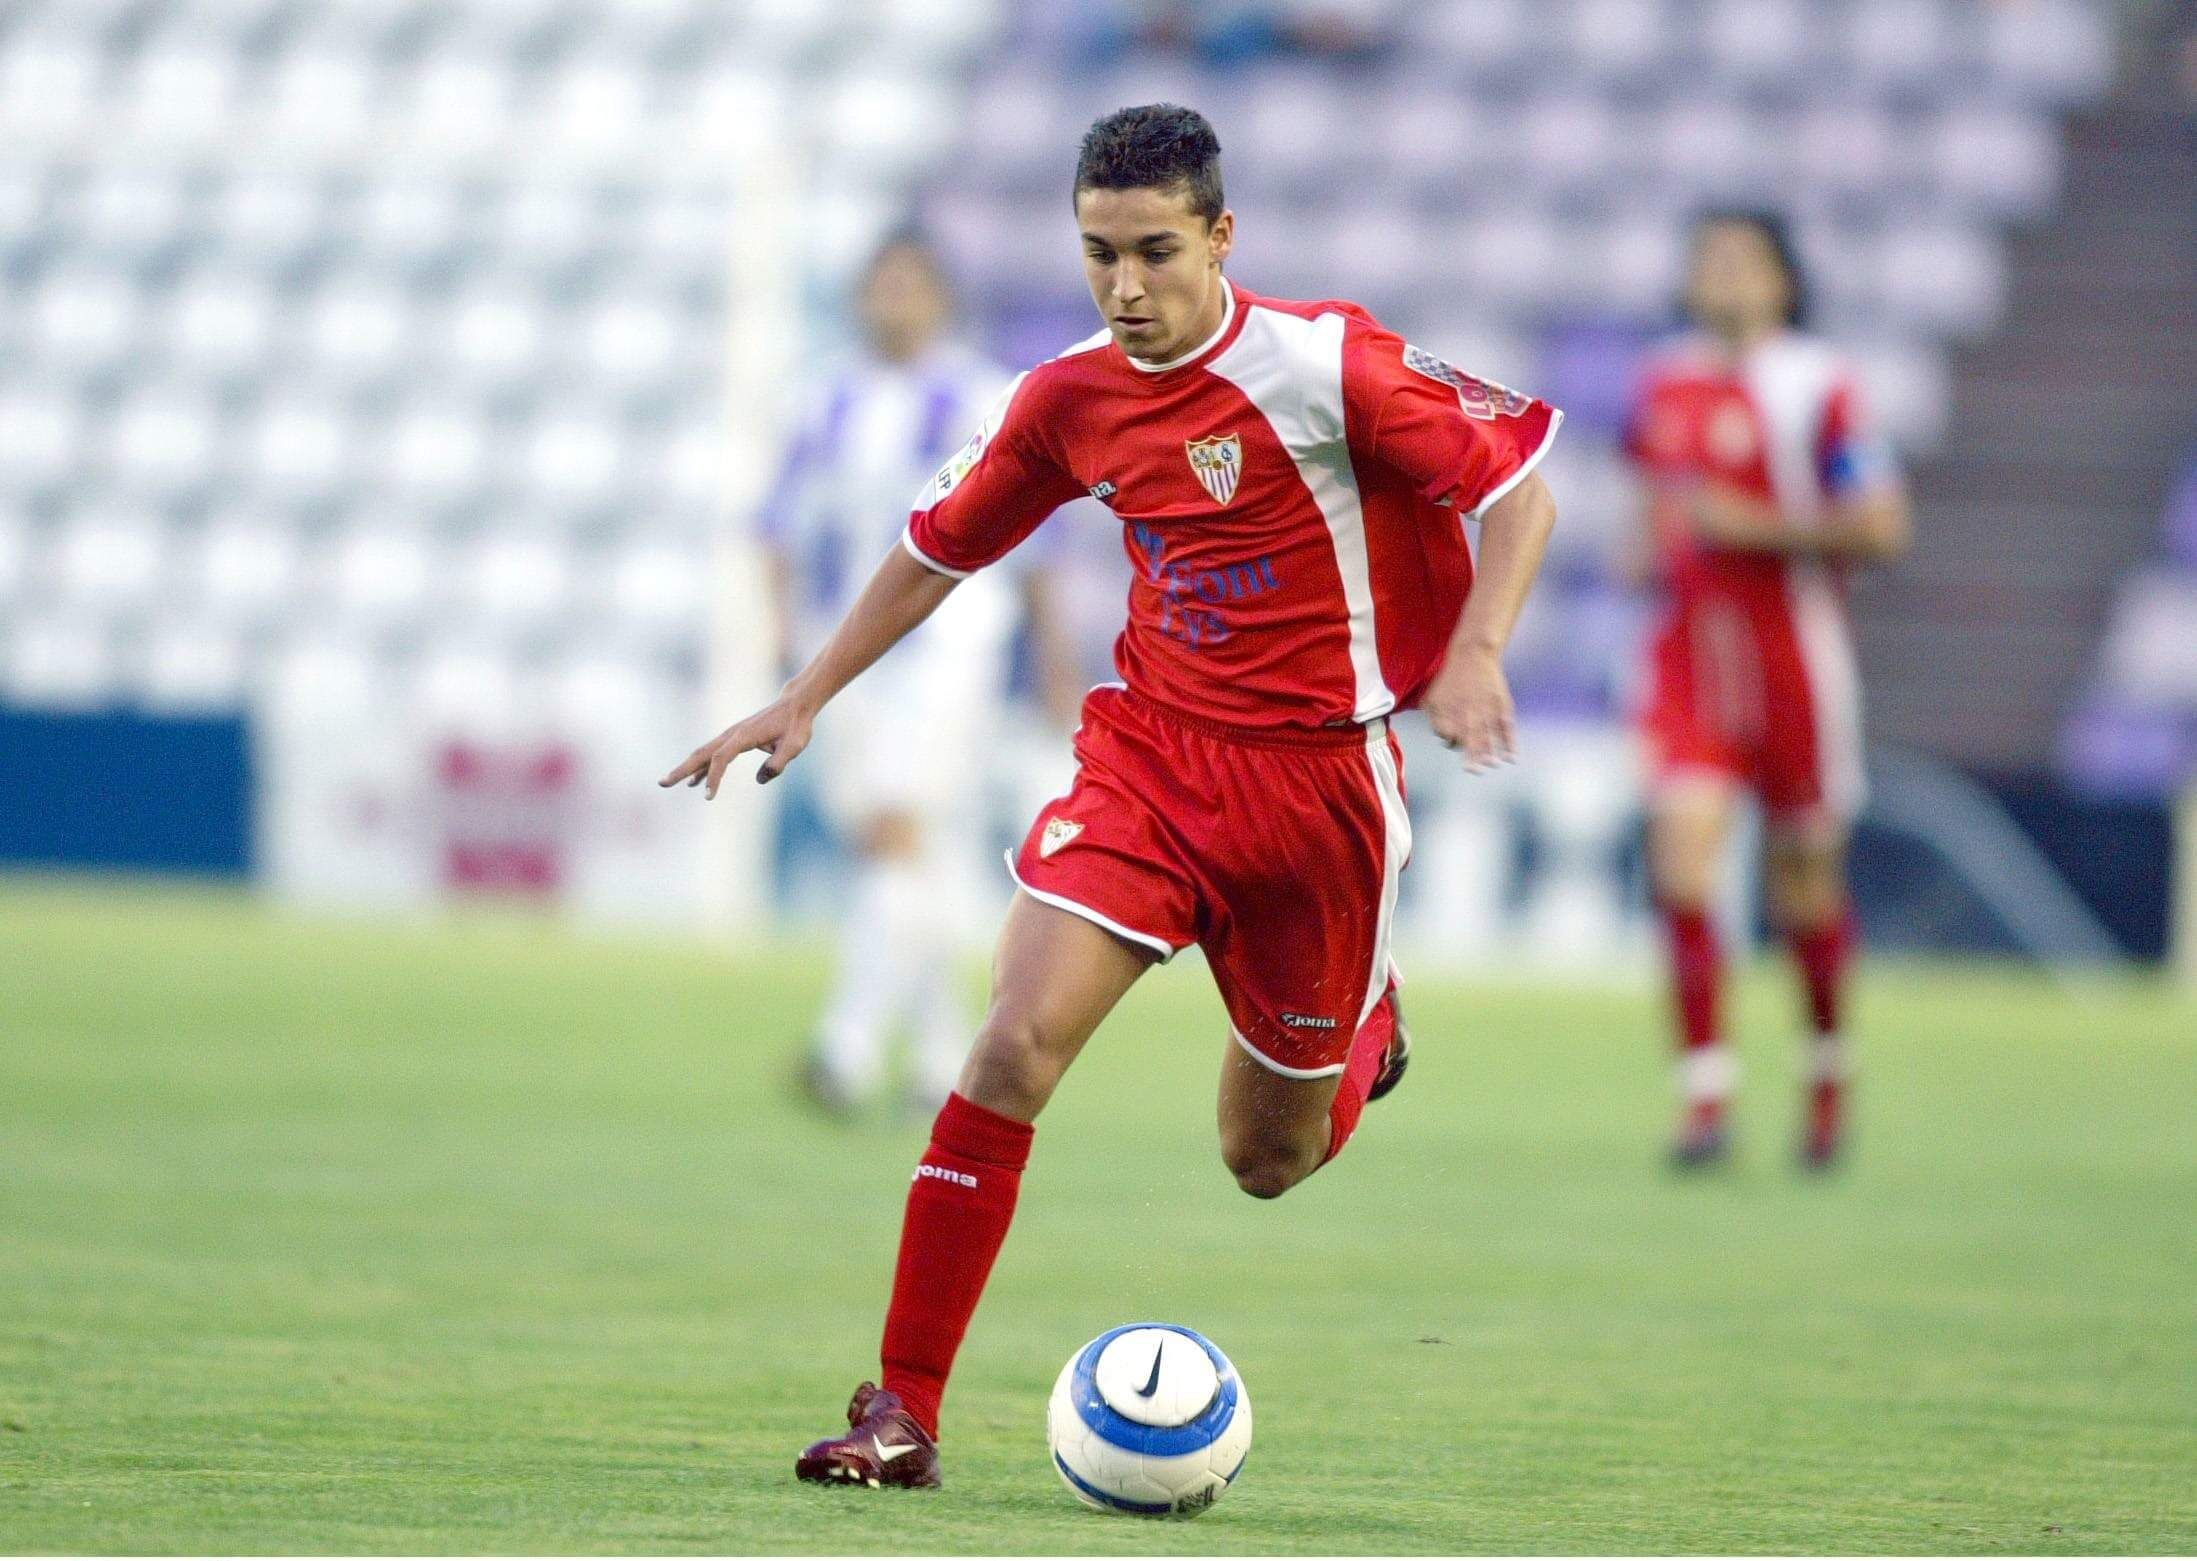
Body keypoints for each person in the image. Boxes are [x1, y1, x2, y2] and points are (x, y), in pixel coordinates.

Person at [663, 104, 1561, 1487]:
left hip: (1319, 791)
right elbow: (937, 546)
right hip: (1148, 761)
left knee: (1265, 1159)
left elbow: (1520, 492)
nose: (1125, 288)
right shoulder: (1066, 398)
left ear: (1221, 236)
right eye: (1098, 255)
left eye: (1154, 253)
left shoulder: (1325, 364)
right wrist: (807, 692)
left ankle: (1366, 1020)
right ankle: (903, 1413)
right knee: (1010, 1048)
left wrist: (1479, 650)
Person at [758, 232, 1078, 1115]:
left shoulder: (979, 397)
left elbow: (1037, 540)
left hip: (950, 647)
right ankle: (943, 1062)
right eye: (880, 285)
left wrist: (1052, 661)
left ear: (940, 298)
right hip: (842, 650)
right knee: (910, 854)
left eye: (908, 285)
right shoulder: (822, 399)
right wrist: (785, 629)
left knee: (895, 829)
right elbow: (776, 523)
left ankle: (847, 1046)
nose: (892, 300)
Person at [1622, 210, 1911, 1172]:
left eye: (1742, 260)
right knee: (1682, 861)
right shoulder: (1661, 382)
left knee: (1802, 885)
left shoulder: (1818, 384)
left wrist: (1749, 526)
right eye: (1707, 258)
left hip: (1793, 663)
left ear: (1782, 281)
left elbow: (1881, 527)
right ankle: (1703, 1101)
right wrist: (1640, 552)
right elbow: (1646, 510)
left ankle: (1825, 1082)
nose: (1722, 275)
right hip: (1688, 662)